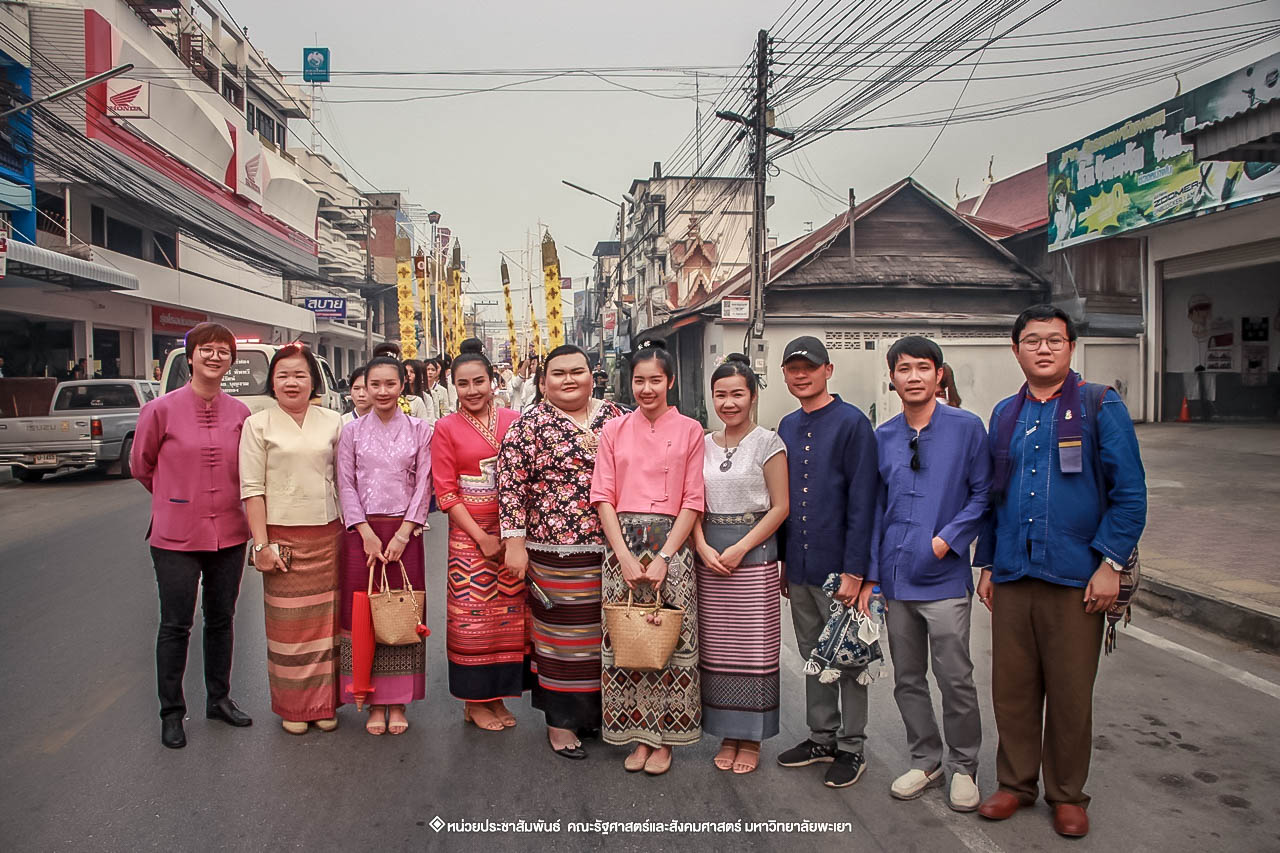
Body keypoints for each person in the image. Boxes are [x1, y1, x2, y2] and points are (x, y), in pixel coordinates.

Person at [974, 305, 1146, 838]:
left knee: (1071, 692)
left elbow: (1130, 494)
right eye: (1032, 340)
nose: (1043, 349)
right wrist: (985, 563)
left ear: (1071, 347)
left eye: (1053, 340)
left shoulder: (1100, 405)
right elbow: (992, 496)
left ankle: (1067, 793)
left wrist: (1110, 564)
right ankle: (1015, 784)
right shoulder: (1005, 413)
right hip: (1013, 572)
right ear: (1016, 350)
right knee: (1012, 689)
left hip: (1077, 577)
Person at [860, 336, 990, 811]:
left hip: (944, 579)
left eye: (922, 368)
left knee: (955, 676)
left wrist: (947, 539)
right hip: (896, 579)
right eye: (903, 369)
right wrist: (873, 577)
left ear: (939, 375)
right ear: (891, 378)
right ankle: (926, 759)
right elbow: (875, 510)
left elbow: (982, 494)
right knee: (907, 677)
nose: (913, 376)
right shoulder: (885, 435)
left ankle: (964, 767)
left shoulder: (967, 428)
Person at [497, 344, 628, 759]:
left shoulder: (618, 419)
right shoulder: (527, 426)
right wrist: (514, 543)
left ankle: (596, 715)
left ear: (594, 375)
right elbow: (511, 488)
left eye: (577, 371)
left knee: (604, 639)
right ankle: (560, 723)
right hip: (554, 551)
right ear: (543, 382)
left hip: (614, 550)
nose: (569, 380)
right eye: (558, 373)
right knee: (560, 641)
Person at [130, 323, 253, 749]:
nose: (215, 357)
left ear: (231, 361)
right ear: (190, 355)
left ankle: (218, 699)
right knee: (176, 624)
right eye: (207, 349)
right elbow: (141, 465)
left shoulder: (240, 413)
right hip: (175, 537)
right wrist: (175, 498)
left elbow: (249, 471)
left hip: (231, 532)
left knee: (221, 620)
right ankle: (172, 713)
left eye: (223, 351)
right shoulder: (160, 410)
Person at [590, 337, 705, 775]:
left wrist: (665, 557)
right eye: (639, 380)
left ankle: (665, 740)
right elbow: (602, 494)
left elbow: (693, 499)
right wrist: (622, 554)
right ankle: (636, 735)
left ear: (670, 382)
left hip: (671, 547)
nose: (647, 388)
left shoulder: (691, 430)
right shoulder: (614, 430)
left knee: (668, 641)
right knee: (628, 641)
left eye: (656, 379)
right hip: (621, 544)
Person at [774, 335, 880, 788]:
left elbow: (865, 502)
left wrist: (857, 571)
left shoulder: (852, 424)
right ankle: (822, 737)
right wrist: (782, 562)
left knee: (850, 657)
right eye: (793, 368)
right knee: (814, 654)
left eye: (810, 367)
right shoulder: (786, 425)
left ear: (827, 370)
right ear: (784, 375)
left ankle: (852, 747)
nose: (801, 375)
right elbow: (780, 500)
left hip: (842, 570)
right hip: (799, 566)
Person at [239, 344, 344, 735]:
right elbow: (251, 489)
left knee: (326, 627)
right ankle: (294, 707)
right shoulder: (258, 425)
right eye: (282, 375)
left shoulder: (334, 421)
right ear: (272, 382)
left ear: (312, 380)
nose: (291, 382)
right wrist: (262, 546)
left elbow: (345, 482)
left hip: (329, 536)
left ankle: (324, 704)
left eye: (300, 375)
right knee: (289, 630)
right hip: (282, 541)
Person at [692, 353, 789, 775]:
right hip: (709, 556)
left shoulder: (769, 442)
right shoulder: (702, 443)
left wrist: (740, 548)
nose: (728, 402)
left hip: (753, 555)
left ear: (752, 396)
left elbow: (781, 506)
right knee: (717, 651)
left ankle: (750, 737)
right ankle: (726, 731)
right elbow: (691, 503)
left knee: (753, 650)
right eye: (720, 394)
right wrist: (701, 546)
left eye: (737, 394)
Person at [432, 340, 527, 731]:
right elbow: (446, 491)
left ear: (493, 381)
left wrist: (512, 535)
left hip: (512, 534)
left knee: (508, 619)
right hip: (469, 538)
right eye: (463, 383)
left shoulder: (514, 420)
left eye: (479, 381)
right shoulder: (445, 427)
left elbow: (524, 477)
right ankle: (474, 700)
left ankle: (497, 697)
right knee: (472, 620)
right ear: (454, 386)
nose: (472, 390)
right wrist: (481, 538)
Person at [336, 356, 434, 735]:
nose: (381, 391)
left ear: (402, 385)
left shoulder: (420, 430)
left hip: (404, 532)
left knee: (403, 614)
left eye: (389, 384)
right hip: (363, 534)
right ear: (363, 387)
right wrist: (364, 531)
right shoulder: (352, 433)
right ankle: (371, 698)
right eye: (373, 384)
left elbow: (425, 483)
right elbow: (345, 483)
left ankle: (398, 700)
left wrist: (403, 533)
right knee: (364, 614)